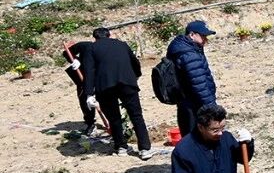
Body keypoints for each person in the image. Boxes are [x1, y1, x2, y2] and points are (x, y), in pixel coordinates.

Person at [81, 27, 154, 159]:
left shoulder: (91, 48)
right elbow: (135, 62)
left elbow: (89, 71)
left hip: (105, 86)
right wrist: (136, 75)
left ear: (95, 38)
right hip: (127, 82)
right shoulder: (122, 44)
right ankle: (145, 149)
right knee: (136, 115)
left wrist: (89, 94)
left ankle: (121, 147)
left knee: (114, 118)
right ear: (109, 35)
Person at [166, 20, 218, 137]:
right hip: (194, 102)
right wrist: (212, 107)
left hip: (187, 101)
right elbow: (199, 83)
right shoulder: (189, 54)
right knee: (196, 137)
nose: (206, 39)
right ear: (192, 35)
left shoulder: (188, 48)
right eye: (203, 36)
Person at [62, 37, 97, 136]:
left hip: (100, 76)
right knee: (84, 99)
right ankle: (90, 123)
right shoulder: (85, 46)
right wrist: (75, 60)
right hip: (84, 77)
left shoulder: (107, 50)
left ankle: (112, 121)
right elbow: (66, 53)